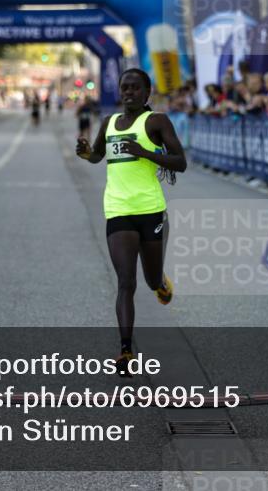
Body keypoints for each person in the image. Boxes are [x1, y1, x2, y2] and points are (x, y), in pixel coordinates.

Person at [74, 69, 187, 374]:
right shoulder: (110, 123)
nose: (129, 93)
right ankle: (126, 351)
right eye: (125, 88)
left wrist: (145, 153)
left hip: (150, 210)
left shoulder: (157, 122)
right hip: (118, 209)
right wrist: (86, 154)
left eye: (136, 88)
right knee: (126, 281)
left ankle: (161, 282)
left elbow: (181, 162)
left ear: (147, 92)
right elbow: (98, 155)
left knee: (150, 280)